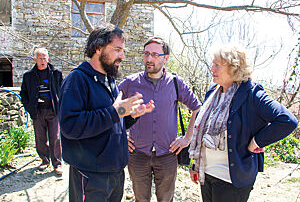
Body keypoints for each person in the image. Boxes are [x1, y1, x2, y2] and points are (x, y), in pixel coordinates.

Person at [58, 23, 155, 202]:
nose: (122, 56)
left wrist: (131, 115)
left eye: (123, 50)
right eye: (117, 49)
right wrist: (117, 111)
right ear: (98, 48)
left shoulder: (109, 80)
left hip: (115, 173)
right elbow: (70, 126)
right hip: (90, 176)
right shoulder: (77, 80)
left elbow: (111, 121)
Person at [189, 46, 298, 202]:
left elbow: (287, 120)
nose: (212, 69)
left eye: (217, 65)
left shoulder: (253, 94)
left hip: (232, 180)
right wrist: (196, 165)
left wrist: (257, 141)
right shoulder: (213, 91)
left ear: (234, 68)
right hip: (206, 174)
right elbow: (203, 130)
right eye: (212, 64)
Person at [118, 37, 201, 202]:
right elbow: (112, 109)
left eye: (155, 55)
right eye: (147, 54)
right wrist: (120, 136)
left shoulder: (176, 83)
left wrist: (187, 138)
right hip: (137, 155)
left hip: (168, 154)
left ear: (165, 58)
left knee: (166, 199)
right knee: (141, 199)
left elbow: (197, 108)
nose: (149, 59)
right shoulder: (130, 83)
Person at [20, 47, 63, 175]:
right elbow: (24, 93)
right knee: (40, 138)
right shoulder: (28, 76)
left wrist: (61, 105)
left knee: (55, 137)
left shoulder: (56, 73)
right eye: (40, 58)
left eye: (44, 58)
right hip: (37, 111)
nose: (43, 61)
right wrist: (29, 107)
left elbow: (64, 90)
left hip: (53, 110)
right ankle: (45, 160)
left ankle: (57, 164)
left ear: (48, 59)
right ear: (35, 60)